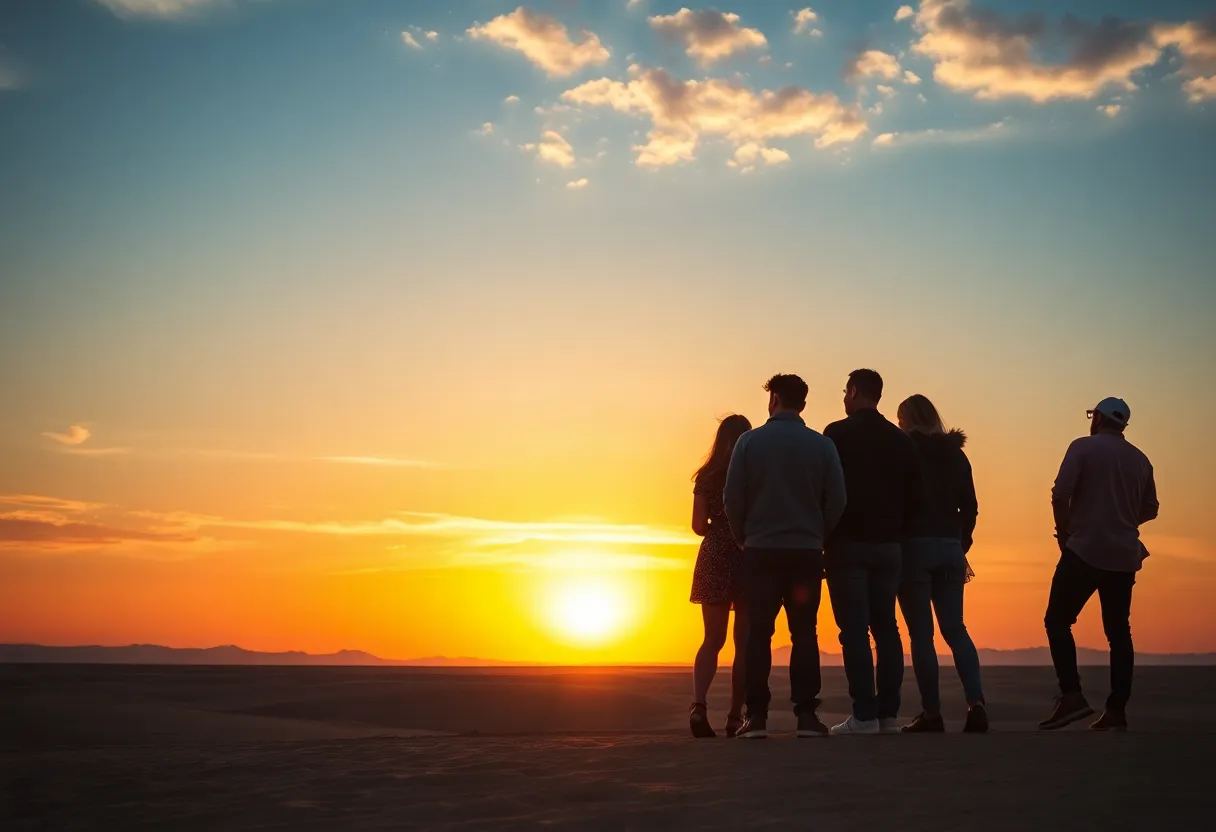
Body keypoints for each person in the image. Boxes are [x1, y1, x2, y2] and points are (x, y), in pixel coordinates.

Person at [724, 374, 846, 739]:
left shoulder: (749, 442)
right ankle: (806, 715)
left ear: (773, 399)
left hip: (761, 550)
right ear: (803, 404)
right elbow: (837, 499)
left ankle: (756, 716)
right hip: (805, 552)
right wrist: (818, 534)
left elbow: (732, 498)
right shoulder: (822, 446)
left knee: (758, 633)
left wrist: (742, 535)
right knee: (804, 632)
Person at [1040, 397, 1159, 732]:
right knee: (1119, 632)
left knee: (1057, 620)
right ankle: (1116, 709)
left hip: (1085, 548)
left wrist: (1065, 534)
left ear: (1098, 420)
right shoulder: (1141, 460)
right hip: (1124, 554)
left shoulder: (1082, 447)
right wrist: (1120, 518)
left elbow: (1060, 493)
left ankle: (1072, 695)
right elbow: (1150, 508)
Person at [823, 369, 920, 736]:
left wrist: (824, 533)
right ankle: (888, 714)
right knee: (887, 629)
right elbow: (915, 497)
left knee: (854, 631)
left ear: (856, 391)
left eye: (845, 391)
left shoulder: (836, 434)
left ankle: (864, 715)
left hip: (847, 543)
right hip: (889, 546)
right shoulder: (901, 441)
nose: (844, 399)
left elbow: (826, 488)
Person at [894, 395, 988, 733]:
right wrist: (962, 540)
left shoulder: (903, 452)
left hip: (914, 546)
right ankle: (976, 703)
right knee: (956, 629)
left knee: (922, 635)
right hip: (950, 547)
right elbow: (971, 506)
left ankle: (932, 713)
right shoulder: (956, 456)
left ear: (906, 419)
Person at [688, 414, 753, 738]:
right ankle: (734, 716)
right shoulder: (754, 474)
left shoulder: (707, 476)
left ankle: (699, 705)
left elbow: (699, 526)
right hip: (747, 553)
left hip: (714, 554)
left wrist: (718, 528)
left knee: (712, 639)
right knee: (744, 643)